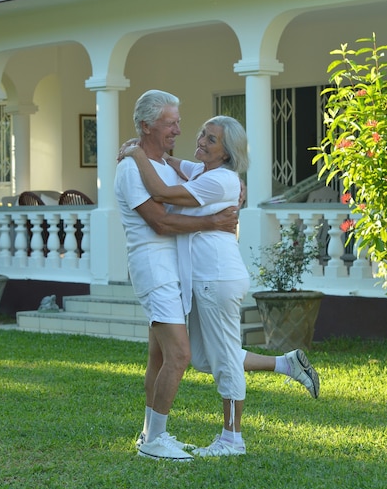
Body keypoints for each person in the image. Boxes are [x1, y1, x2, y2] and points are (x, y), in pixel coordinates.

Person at [122, 114, 320, 457]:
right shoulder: (205, 172)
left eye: (210, 139)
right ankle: (286, 364)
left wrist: (136, 153)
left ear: (226, 153)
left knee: (224, 357)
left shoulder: (221, 181)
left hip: (218, 279)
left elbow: (162, 191)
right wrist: (160, 156)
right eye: (202, 133)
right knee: (202, 358)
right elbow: (178, 164)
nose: (200, 140)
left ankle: (232, 439)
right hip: (204, 281)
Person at [114, 90, 239, 461]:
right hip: (154, 268)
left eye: (178, 123)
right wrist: (213, 222)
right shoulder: (130, 169)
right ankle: (156, 441)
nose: (178, 130)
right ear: (146, 126)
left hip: (173, 269)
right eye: (171, 124)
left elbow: (210, 175)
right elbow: (160, 221)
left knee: (158, 356)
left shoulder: (164, 166)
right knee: (180, 354)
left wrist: (236, 185)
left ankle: (150, 433)